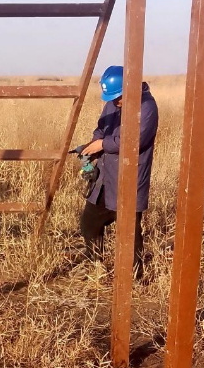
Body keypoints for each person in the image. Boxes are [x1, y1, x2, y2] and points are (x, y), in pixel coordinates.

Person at [78, 66, 159, 279]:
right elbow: (101, 128)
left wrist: (102, 144)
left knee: (129, 232)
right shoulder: (113, 103)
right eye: (112, 98)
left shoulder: (147, 107)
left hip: (129, 178)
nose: (115, 102)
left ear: (130, 87)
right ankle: (96, 265)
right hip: (105, 176)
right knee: (89, 223)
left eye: (118, 97)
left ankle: (135, 277)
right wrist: (93, 145)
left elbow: (134, 141)